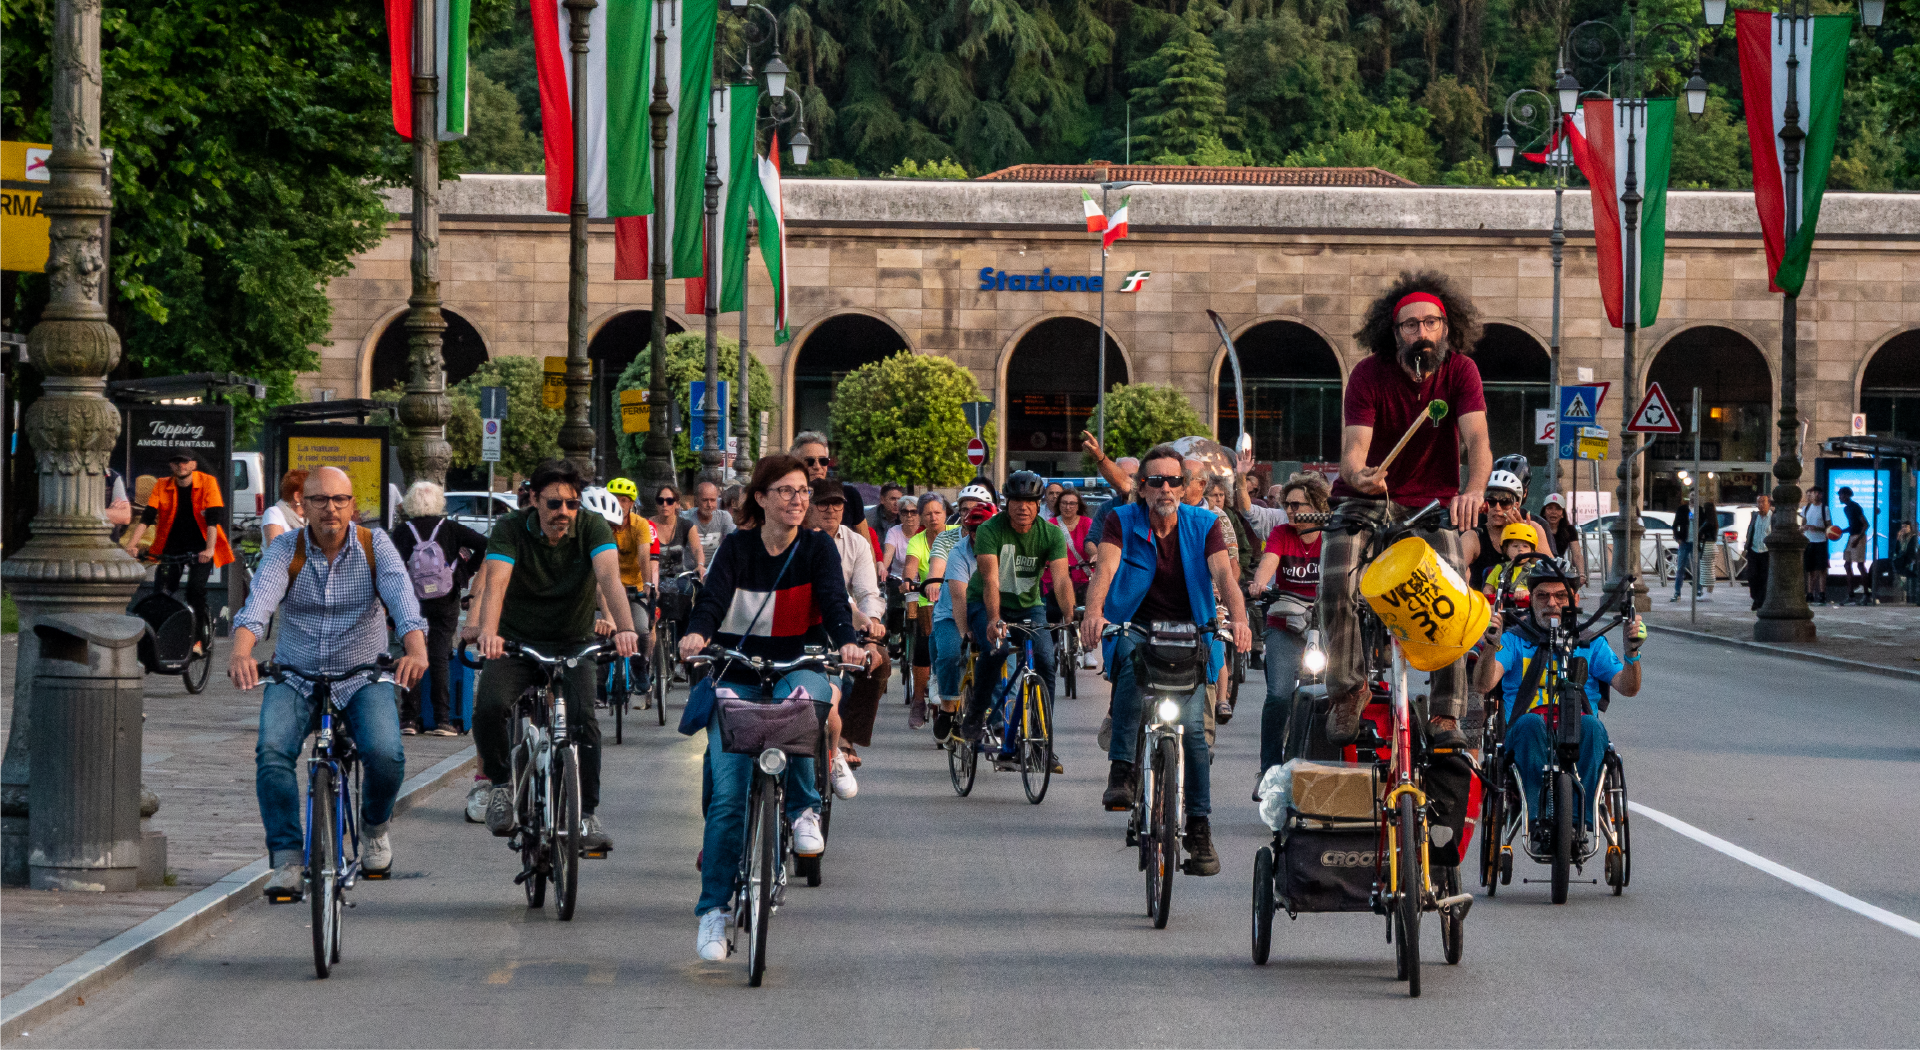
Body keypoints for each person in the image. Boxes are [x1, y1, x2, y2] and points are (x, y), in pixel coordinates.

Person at [682, 455, 866, 962]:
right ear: (760, 498)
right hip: (737, 671)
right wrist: (698, 632)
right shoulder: (737, 549)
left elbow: (833, 602)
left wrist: (848, 643)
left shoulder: (817, 548)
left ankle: (805, 807)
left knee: (802, 701)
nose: (798, 499)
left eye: (803, 491)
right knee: (727, 800)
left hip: (798, 662)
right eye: (785, 491)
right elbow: (713, 601)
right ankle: (714, 913)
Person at [228, 466, 429, 897]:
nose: (330, 509)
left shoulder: (377, 547)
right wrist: (242, 652)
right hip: (297, 673)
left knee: (385, 753)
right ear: (304, 507)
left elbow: (402, 601)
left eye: (340, 500)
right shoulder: (285, 549)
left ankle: (374, 827)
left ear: (353, 506)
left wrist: (416, 649)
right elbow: (259, 604)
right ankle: (285, 859)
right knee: (272, 751)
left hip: (362, 673)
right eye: (319, 500)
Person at [1321, 272, 1491, 750]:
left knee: (1454, 592)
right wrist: (1358, 476)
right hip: (1367, 498)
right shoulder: (1368, 374)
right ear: (1393, 332)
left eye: (1431, 323)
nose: (1422, 333)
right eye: (1411, 325)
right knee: (1337, 583)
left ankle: (1444, 713)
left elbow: (1477, 441)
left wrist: (1473, 491)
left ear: (1446, 327)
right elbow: (1354, 452)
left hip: (1433, 501)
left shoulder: (1461, 372)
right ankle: (1348, 688)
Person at [1080, 446, 1253, 876]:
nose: (1166, 489)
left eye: (1174, 481)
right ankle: (1121, 770)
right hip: (1136, 624)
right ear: (1141, 487)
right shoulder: (1122, 521)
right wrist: (1094, 613)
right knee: (1126, 671)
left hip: (1192, 628)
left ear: (1184, 486)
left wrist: (1241, 621)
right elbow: (1104, 571)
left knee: (1194, 731)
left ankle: (1198, 828)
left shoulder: (1206, 523)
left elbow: (1224, 577)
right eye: (1155, 481)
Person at [471, 458, 639, 855]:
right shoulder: (511, 529)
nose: (563, 512)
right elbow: (496, 582)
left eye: (571, 504)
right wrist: (489, 633)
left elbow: (609, 578)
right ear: (533, 500)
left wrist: (626, 627)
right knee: (489, 707)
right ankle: (499, 785)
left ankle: (587, 814)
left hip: (572, 642)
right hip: (516, 642)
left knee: (584, 721)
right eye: (553, 504)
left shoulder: (593, 528)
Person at [1471, 559, 1645, 850]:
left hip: (1578, 728)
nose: (1551, 603)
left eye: (1560, 596)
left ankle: (1581, 822)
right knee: (1529, 724)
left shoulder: (1591, 643)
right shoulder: (1513, 641)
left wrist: (1632, 654)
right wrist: (1490, 645)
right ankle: (1538, 821)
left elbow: (1629, 687)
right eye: (1542, 596)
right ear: (1531, 599)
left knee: (1591, 725)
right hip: (1526, 732)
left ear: (1574, 599)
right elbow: (1482, 684)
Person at [962, 472, 1074, 772]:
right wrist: (995, 620)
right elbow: (990, 579)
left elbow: (1061, 580)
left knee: (1046, 662)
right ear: (1006, 503)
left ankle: (1041, 742)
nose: (1023, 507)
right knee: (996, 651)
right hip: (986, 602)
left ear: (1039, 506)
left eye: (1030, 501)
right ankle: (976, 713)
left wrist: (1070, 615)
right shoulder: (989, 529)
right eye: (1016, 501)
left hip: (1029, 606)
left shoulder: (1050, 534)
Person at [807, 478, 885, 798]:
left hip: (842, 623)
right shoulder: (791, 540)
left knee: (873, 663)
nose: (831, 510)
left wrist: (871, 629)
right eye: (823, 503)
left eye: (837, 504)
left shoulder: (856, 543)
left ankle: (841, 740)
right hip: (802, 626)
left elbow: (864, 593)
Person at [391, 481, 488, 736]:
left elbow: (391, 567)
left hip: (412, 601)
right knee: (439, 656)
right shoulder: (451, 529)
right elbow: (484, 543)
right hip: (446, 599)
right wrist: (465, 570)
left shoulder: (402, 532)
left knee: (411, 654)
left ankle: (409, 720)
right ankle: (443, 720)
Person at [1250, 472, 1328, 777]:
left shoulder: (1332, 536)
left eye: (1299, 505)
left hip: (1324, 624)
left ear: (1318, 505)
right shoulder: (1282, 533)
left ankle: (1326, 761)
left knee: (1334, 692)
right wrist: (1259, 584)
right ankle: (1268, 768)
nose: (1292, 511)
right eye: (1289, 505)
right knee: (1279, 695)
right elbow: (1269, 561)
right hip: (1284, 622)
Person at [123, 448, 235, 632]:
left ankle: (198, 637)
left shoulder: (207, 482)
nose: (180, 465)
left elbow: (213, 520)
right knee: (162, 592)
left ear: (193, 464)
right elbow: (147, 517)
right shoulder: (162, 484)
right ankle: (161, 634)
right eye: (176, 462)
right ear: (171, 465)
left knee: (195, 591)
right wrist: (131, 545)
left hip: (201, 547)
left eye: (185, 462)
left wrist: (209, 550)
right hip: (173, 547)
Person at [931, 499, 993, 740]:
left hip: (986, 612)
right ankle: (947, 709)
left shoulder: (1002, 549)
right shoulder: (958, 551)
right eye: (973, 530)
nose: (979, 535)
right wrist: (965, 630)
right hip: (951, 613)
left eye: (985, 529)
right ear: (966, 531)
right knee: (950, 654)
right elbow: (958, 597)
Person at [592, 478, 656, 698]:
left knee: (641, 631)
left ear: (631, 503)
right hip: (605, 586)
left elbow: (644, 556)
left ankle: (640, 670)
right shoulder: (601, 525)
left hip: (633, 586)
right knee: (601, 634)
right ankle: (599, 684)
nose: (619, 504)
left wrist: (648, 584)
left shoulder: (640, 524)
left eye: (624, 500)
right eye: (614, 499)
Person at [900, 493, 949, 725]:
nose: (933, 517)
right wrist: (908, 580)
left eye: (937, 512)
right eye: (928, 513)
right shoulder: (917, 541)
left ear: (946, 514)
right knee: (922, 648)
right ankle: (918, 701)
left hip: (954, 601)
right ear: (921, 517)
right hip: (927, 604)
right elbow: (910, 566)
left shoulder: (955, 536)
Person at [791, 431, 871, 543]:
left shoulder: (849, 494)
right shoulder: (788, 499)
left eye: (823, 461)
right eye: (810, 461)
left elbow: (866, 542)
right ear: (795, 464)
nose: (817, 467)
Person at [1482, 522, 1543, 610]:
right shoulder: (1499, 568)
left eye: (1525, 546)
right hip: (1500, 608)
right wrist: (1492, 600)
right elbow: (1488, 588)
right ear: (1506, 549)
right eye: (1515, 546)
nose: (1520, 549)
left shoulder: (1536, 570)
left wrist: (1526, 593)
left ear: (1532, 551)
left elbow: (1541, 591)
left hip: (1526, 610)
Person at [650, 485, 705, 583]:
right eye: (660, 500)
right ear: (656, 504)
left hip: (679, 581)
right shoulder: (646, 525)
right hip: (652, 579)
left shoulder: (686, 525)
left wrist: (700, 565)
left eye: (669, 501)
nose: (664, 504)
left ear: (677, 504)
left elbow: (697, 549)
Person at [686, 481, 735, 574]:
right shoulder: (687, 517)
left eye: (713, 500)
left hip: (717, 569)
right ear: (696, 500)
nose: (709, 505)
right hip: (690, 570)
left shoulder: (724, 517)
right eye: (705, 500)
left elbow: (730, 545)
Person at [1837, 486, 1871, 605]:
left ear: (1846, 495)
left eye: (1841, 495)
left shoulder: (1855, 507)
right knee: (1847, 564)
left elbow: (1866, 524)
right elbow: (1853, 525)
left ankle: (1866, 595)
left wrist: (1859, 539)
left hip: (1858, 537)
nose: (1839, 497)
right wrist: (1841, 531)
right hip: (1852, 536)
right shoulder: (1846, 509)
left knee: (1860, 565)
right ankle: (1851, 595)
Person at [1539, 493, 1583, 577]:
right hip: (1540, 568)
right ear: (1544, 512)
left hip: (1559, 569)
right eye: (1549, 508)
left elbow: (1577, 554)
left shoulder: (1570, 530)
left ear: (1562, 514)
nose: (1553, 512)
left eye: (1558, 509)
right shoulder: (1537, 527)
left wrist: (1581, 574)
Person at [261, 470, 308, 547]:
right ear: (297, 497)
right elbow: (276, 549)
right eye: (312, 494)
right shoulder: (274, 513)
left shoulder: (314, 517)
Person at [881, 497, 920, 585]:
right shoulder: (893, 531)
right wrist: (883, 569)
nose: (909, 515)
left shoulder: (925, 532)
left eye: (913, 512)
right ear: (900, 514)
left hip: (921, 582)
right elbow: (888, 554)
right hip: (898, 581)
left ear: (919, 514)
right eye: (905, 512)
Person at [1802, 487, 1830, 605]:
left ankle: (1822, 593)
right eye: (1815, 493)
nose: (1817, 495)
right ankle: (1810, 593)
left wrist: (1817, 528)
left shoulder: (1825, 509)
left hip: (1821, 541)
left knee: (1822, 569)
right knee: (1811, 570)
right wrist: (1804, 528)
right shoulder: (1806, 508)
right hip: (1809, 542)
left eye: (1819, 493)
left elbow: (1829, 526)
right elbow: (1803, 523)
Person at [1744, 493, 1773, 611]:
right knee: (1752, 576)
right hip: (1754, 550)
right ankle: (1755, 597)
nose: (1760, 505)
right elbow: (1750, 530)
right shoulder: (1755, 516)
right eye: (1759, 502)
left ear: (1769, 504)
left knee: (1763, 577)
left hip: (1766, 552)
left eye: (1763, 502)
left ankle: (1759, 601)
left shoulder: (1773, 517)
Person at [1669, 499, 1696, 602]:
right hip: (1684, 541)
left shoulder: (1699, 510)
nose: (1693, 497)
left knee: (1696, 568)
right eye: (1692, 495)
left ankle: (1698, 591)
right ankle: (1677, 592)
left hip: (1695, 542)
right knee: (1680, 568)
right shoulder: (1683, 509)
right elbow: (1675, 525)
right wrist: (1677, 537)